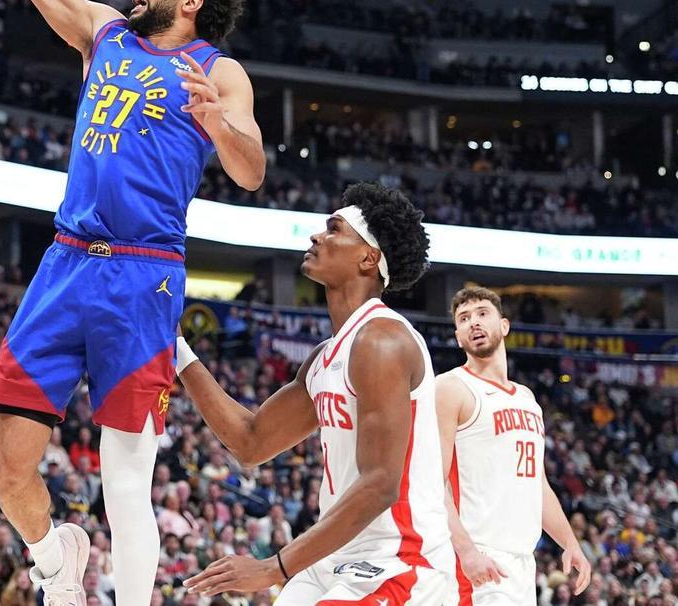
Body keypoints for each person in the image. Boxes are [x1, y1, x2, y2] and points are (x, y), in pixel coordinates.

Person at [0, 0, 264, 606]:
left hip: (143, 273)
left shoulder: (218, 70)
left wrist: (219, 122)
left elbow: (251, 169)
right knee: (5, 464)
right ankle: (54, 560)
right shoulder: (103, 33)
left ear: (191, 1)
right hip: (66, 261)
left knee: (125, 479)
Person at [181, 183, 453, 604]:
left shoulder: (382, 340)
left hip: (398, 559)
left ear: (368, 258)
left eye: (334, 229)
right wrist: (176, 350)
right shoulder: (326, 357)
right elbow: (251, 442)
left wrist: (273, 568)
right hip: (334, 558)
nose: (317, 236)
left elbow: (381, 483)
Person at [437, 287, 592, 605]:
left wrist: (569, 542)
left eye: (482, 313)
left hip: (521, 562)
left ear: (504, 325)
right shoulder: (451, 388)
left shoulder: (527, 399)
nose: (473, 322)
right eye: (464, 318)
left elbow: (537, 484)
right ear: (458, 337)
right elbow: (431, 481)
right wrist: (467, 551)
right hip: (477, 558)